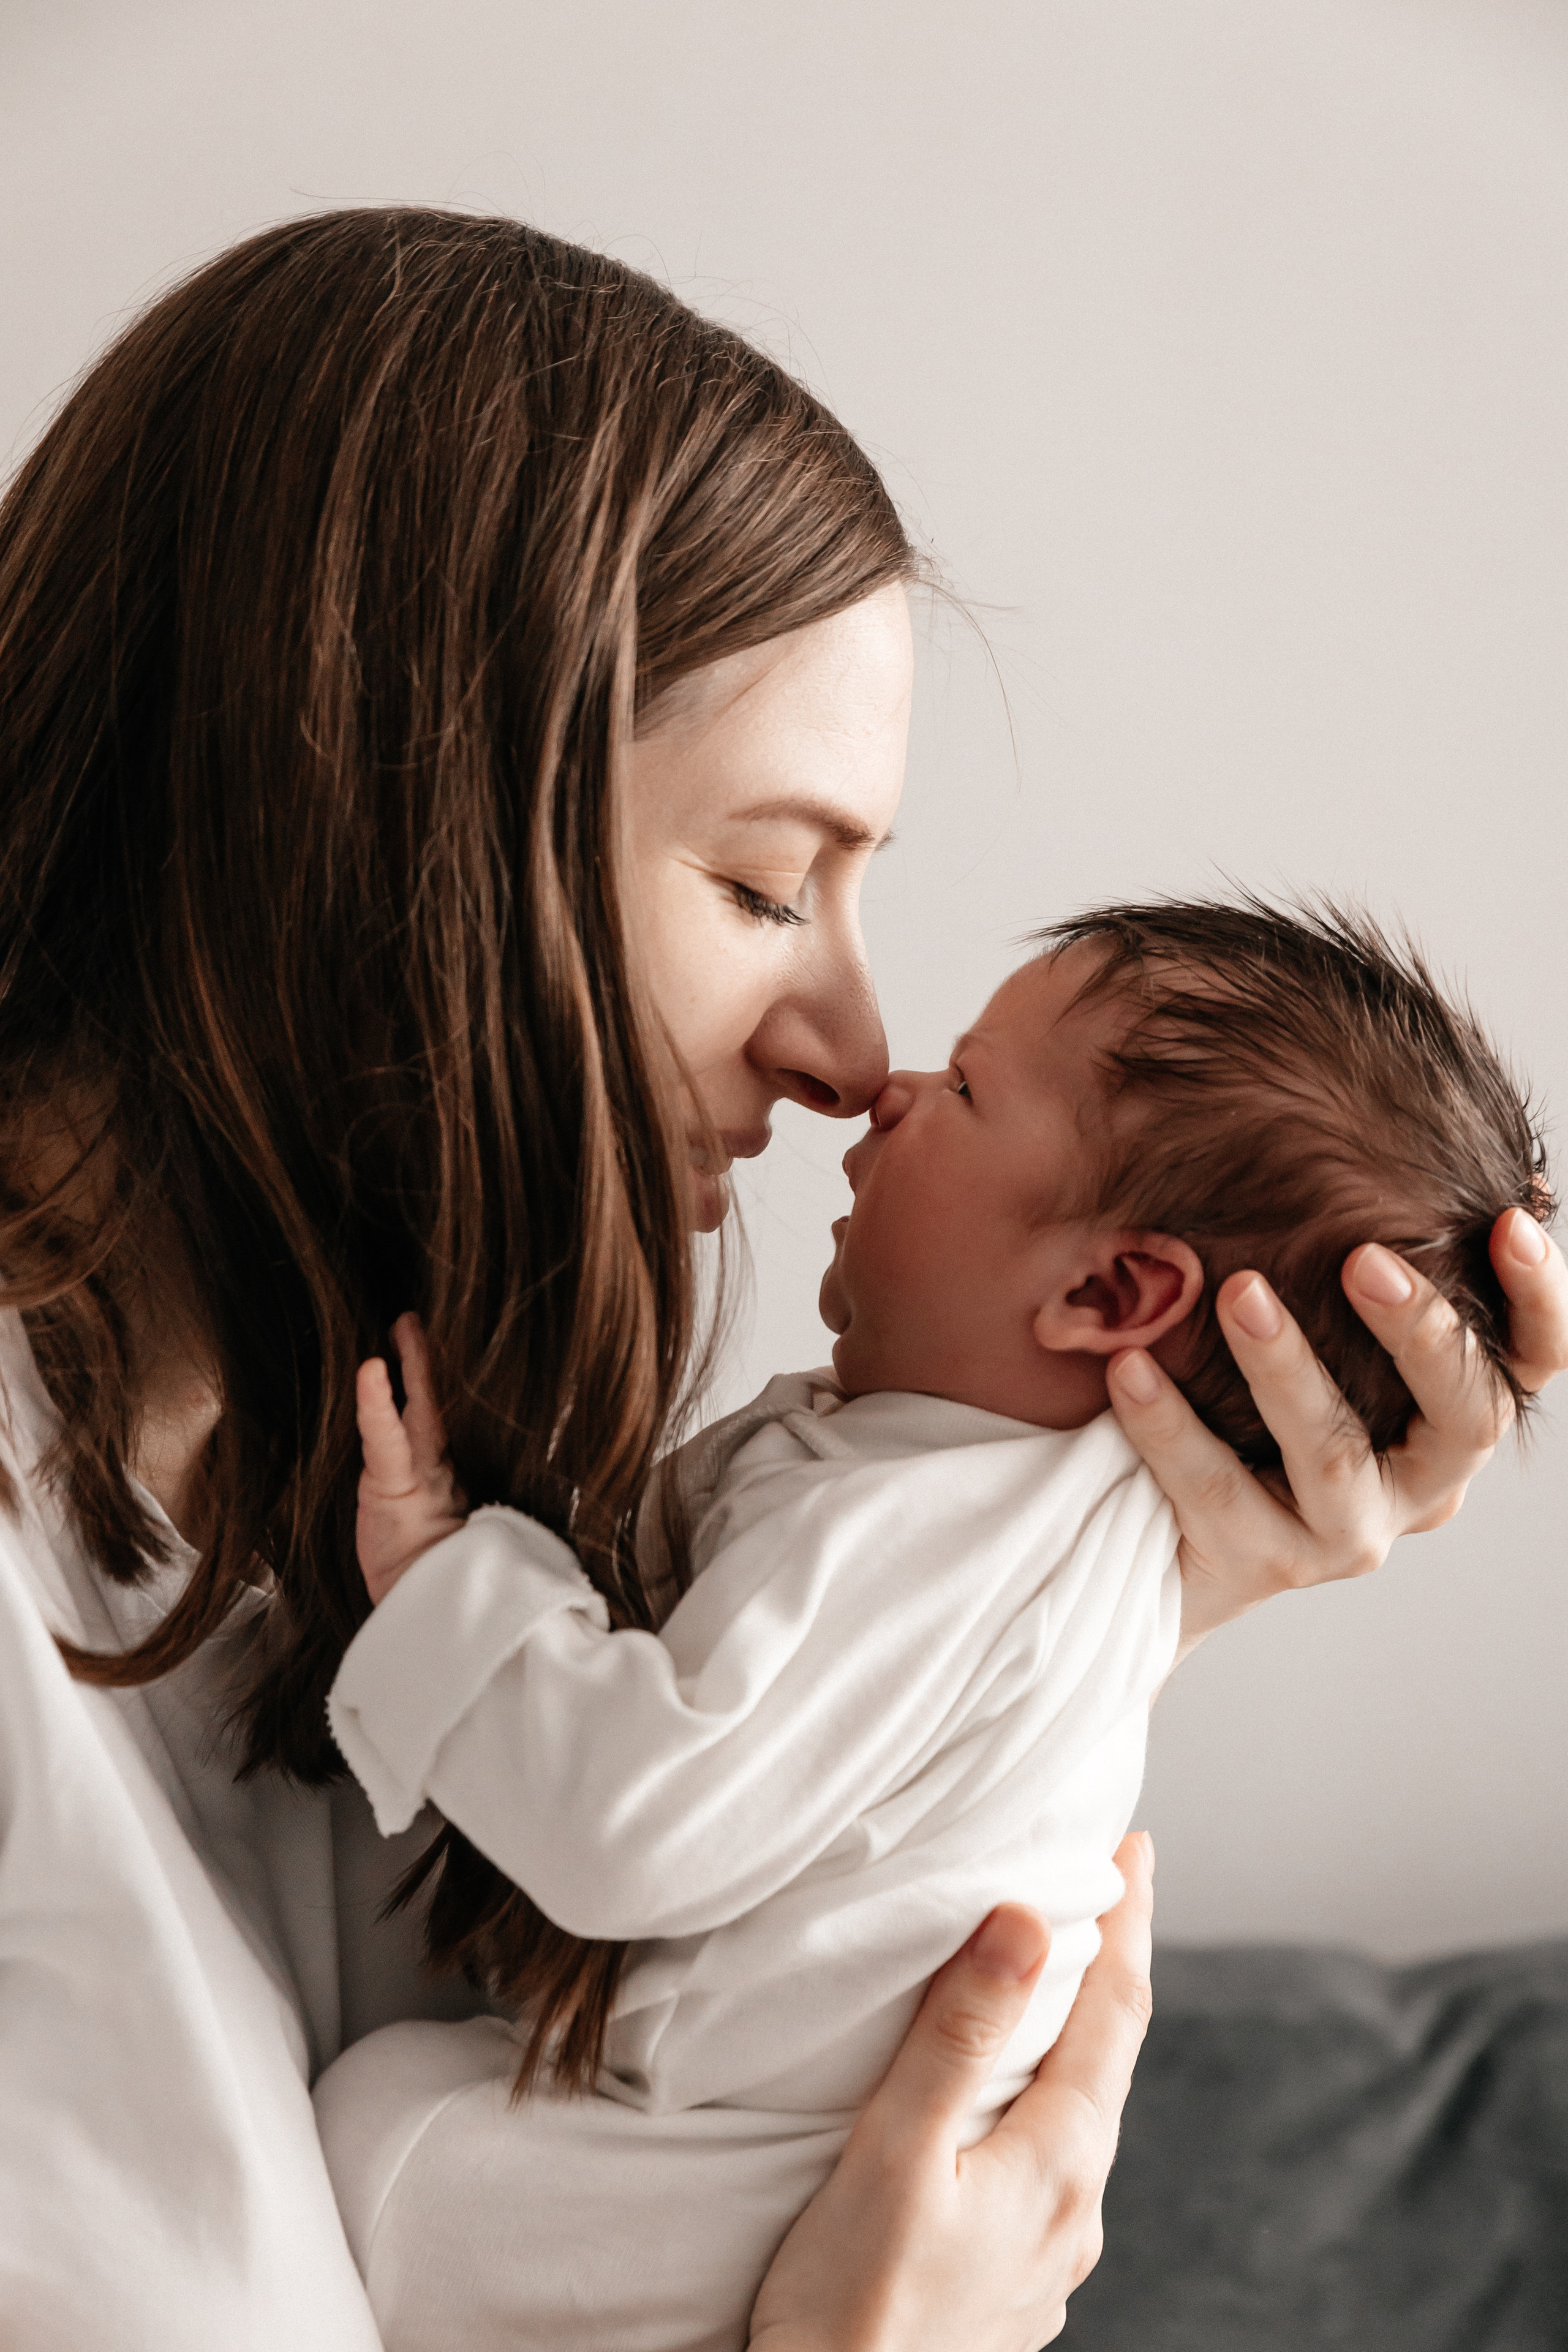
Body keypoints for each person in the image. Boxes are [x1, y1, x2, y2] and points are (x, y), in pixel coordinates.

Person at [0, 207, 1561, 2352]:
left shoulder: (311, 1536)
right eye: (760, 883)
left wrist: (1130, 1577)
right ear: (383, 822)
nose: (847, 1055)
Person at [311, 898, 1551, 2352]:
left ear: (1106, 1290)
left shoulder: (922, 1532)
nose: (885, 1086)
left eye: (964, 1090)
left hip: (736, 2205)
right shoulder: (1053, 1522)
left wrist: (441, 1567)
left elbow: (636, 1819)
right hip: (810, 2196)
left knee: (379, 2144)